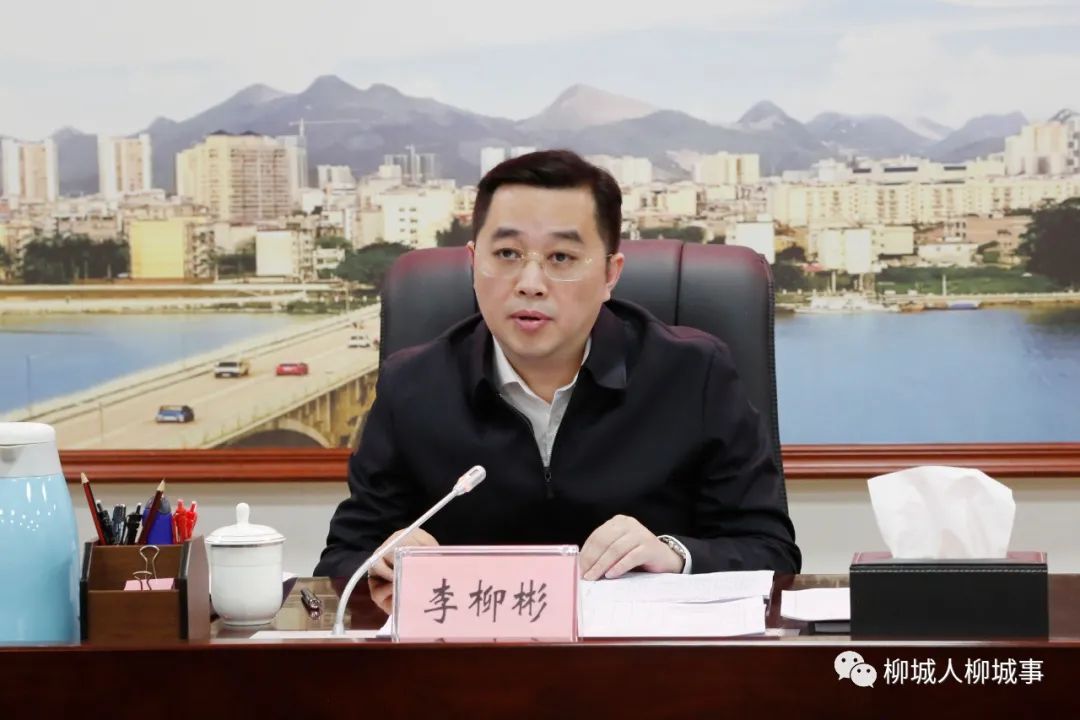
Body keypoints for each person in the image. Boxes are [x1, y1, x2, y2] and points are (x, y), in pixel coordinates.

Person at [315, 150, 800, 582]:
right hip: (471, 650)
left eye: (562, 257)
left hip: (639, 651)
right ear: (473, 263)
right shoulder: (412, 385)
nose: (530, 282)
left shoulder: (694, 373)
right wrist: (381, 560)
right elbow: (341, 560)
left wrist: (673, 554)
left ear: (610, 274)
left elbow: (771, 551)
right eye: (507, 254)